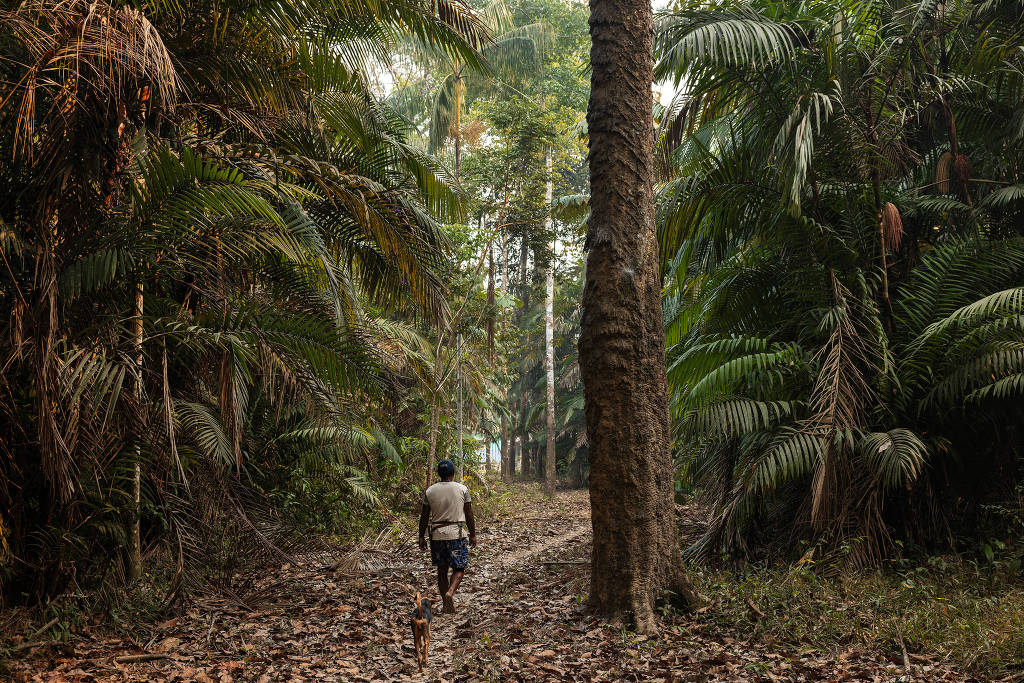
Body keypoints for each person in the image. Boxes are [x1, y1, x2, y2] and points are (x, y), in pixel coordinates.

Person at [419, 459, 476, 614]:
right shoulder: (462, 489)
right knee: (459, 568)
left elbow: (424, 516)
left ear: (439, 473)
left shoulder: (430, 491)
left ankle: (446, 605)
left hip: (437, 535)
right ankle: (450, 592)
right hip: (456, 534)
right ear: (453, 473)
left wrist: (421, 537)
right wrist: (473, 534)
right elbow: (469, 514)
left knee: (442, 570)